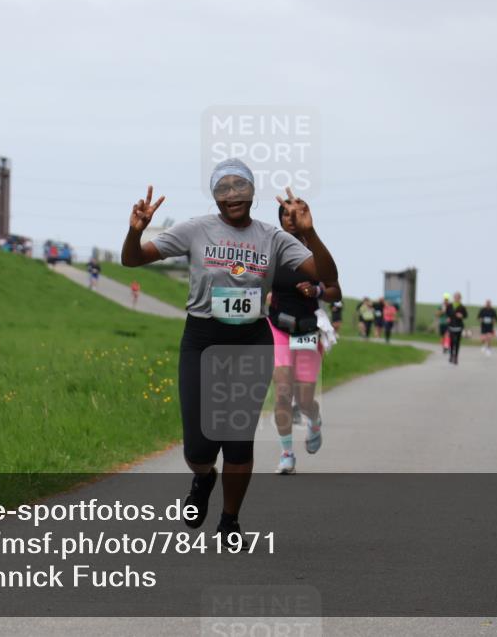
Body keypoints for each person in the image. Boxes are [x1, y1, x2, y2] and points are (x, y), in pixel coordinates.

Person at [121, 158, 338, 541]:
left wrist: (311, 232)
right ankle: (203, 479)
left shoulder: (272, 237)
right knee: (200, 447)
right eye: (224, 188)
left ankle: (229, 521)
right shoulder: (195, 229)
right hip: (202, 340)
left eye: (240, 187)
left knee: (238, 442)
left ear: (252, 192)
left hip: (250, 341)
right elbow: (133, 259)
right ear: (215, 196)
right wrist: (134, 232)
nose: (232, 195)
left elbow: (326, 277)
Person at [267, 203, 342, 474]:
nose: (290, 218)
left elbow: (336, 291)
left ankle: (314, 419)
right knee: (283, 393)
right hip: (278, 329)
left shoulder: (314, 250)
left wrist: (316, 290)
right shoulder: (271, 247)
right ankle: (287, 454)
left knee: (305, 399)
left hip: (308, 331)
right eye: (285, 214)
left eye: (295, 213)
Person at [447, 291, 467, 365]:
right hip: (451, 325)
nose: (456, 298)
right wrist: (448, 318)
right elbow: (447, 313)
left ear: (460, 298)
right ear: (454, 298)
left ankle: (456, 357)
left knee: (457, 342)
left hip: (459, 326)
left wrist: (461, 316)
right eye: (455, 297)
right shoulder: (450, 306)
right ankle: (451, 355)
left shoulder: (462, 307)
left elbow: (466, 315)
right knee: (452, 341)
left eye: (458, 297)